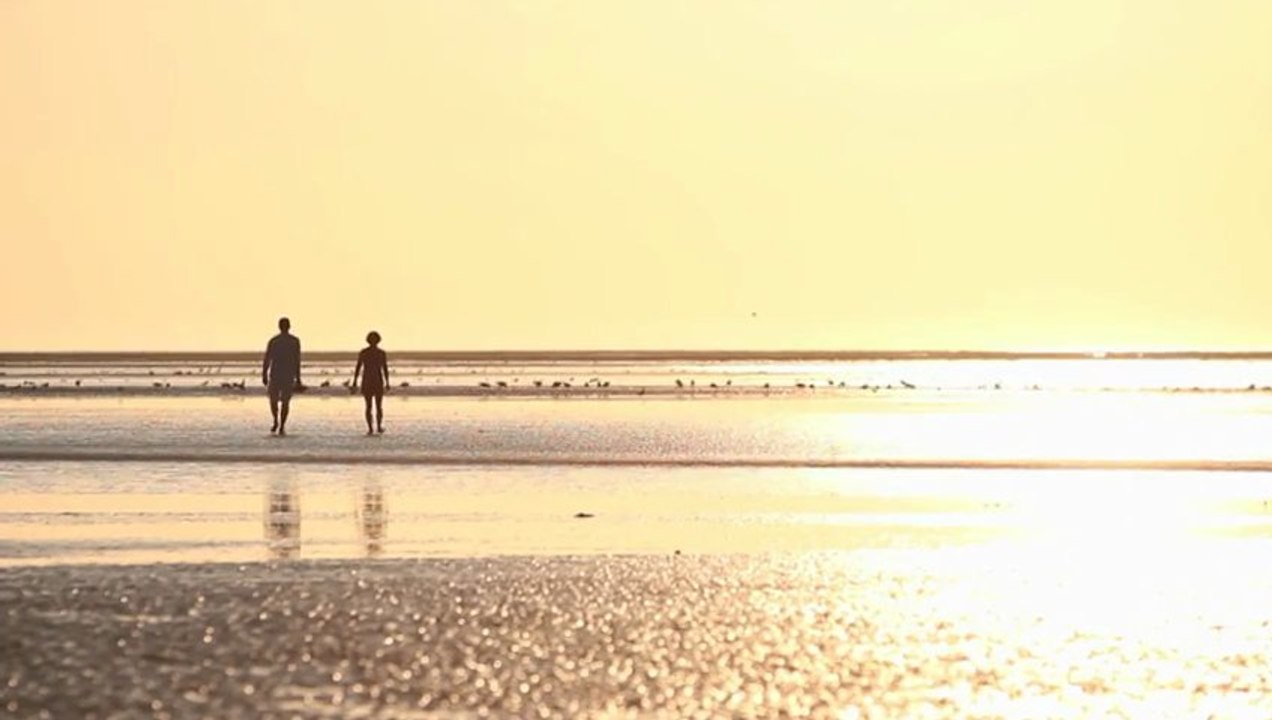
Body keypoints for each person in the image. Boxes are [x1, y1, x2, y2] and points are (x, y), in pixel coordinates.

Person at [262, 317, 302, 435]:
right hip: (283, 374)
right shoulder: (289, 341)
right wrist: (298, 377)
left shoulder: (279, 341)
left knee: (277, 401)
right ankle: (279, 423)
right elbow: (297, 360)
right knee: (282, 401)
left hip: (280, 374)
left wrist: (264, 373)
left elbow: (267, 358)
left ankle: (279, 423)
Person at [353, 331, 390, 434]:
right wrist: (387, 382)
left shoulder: (364, 352)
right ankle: (377, 427)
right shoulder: (381, 353)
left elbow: (358, 367)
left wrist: (355, 381)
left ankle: (371, 428)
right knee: (378, 406)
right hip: (376, 380)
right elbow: (385, 368)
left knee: (369, 406)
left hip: (368, 380)